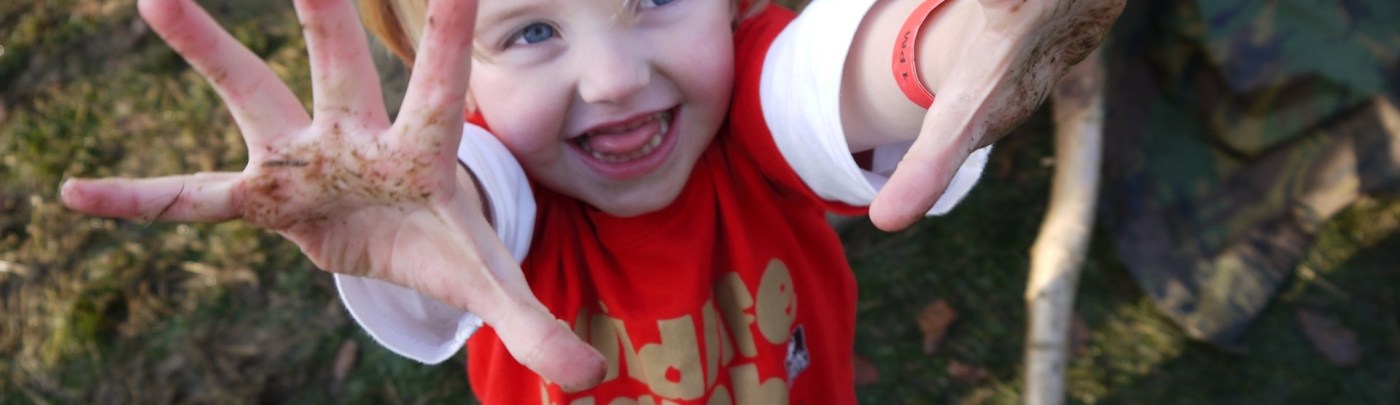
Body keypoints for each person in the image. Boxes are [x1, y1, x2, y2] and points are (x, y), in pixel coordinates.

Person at [58, 0, 1122, 402]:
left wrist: (958, 34)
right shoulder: (485, 180)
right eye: (529, 32)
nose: (614, 77)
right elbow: (463, 217)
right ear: (450, 79)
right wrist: (406, 210)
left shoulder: (742, 105)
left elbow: (831, 78)